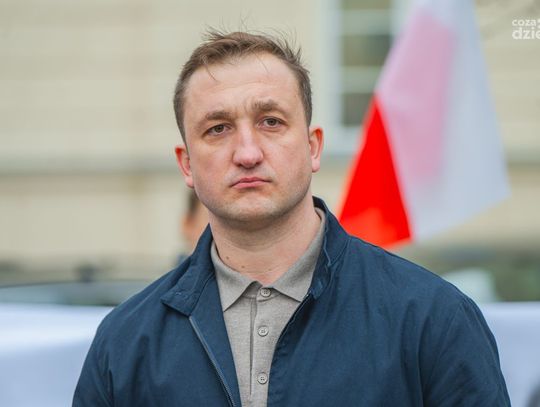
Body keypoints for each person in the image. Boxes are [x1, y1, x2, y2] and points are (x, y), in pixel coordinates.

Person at [73, 30, 510, 406]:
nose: (247, 153)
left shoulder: (432, 318)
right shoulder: (124, 342)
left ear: (313, 146)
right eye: (217, 129)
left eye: (271, 121)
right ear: (186, 164)